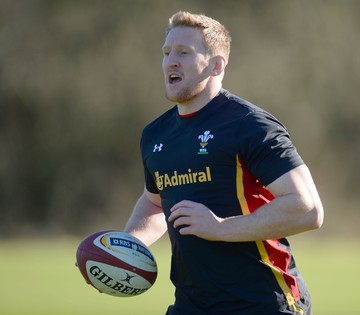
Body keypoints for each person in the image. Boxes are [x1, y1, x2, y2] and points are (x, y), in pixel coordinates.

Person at [124, 11, 324, 315]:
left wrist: (219, 227)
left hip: (264, 303)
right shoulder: (155, 134)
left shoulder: (249, 124)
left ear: (216, 65)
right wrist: (123, 247)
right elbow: (155, 204)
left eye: (184, 52)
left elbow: (307, 209)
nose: (170, 62)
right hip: (192, 305)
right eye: (166, 52)